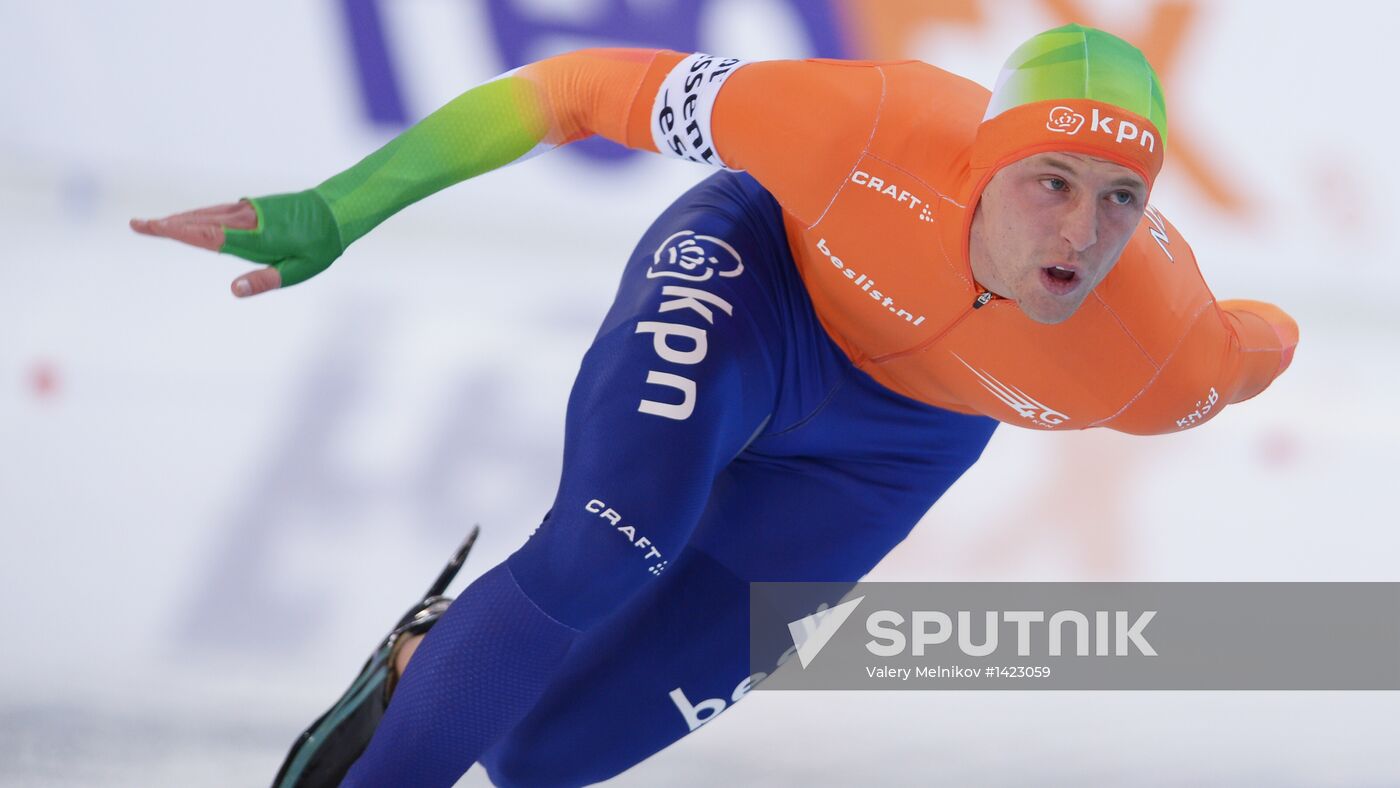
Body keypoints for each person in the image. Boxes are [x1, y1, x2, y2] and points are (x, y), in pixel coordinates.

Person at [131, 23, 1297, 787]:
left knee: (550, 753)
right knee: (600, 548)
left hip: (894, 447)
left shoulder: (1157, 361)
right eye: (1050, 181)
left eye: (1119, 198)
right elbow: (579, 88)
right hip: (758, 291)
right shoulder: (862, 125)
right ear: (978, 163)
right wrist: (340, 208)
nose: (1081, 234)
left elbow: (1264, 341)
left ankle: (425, 659)